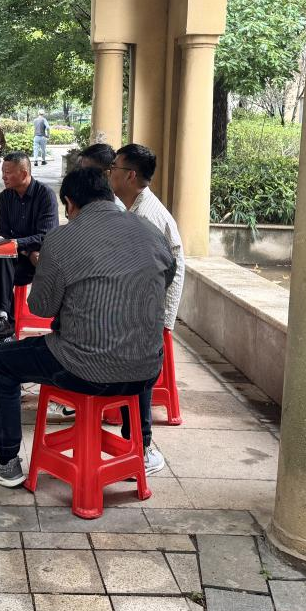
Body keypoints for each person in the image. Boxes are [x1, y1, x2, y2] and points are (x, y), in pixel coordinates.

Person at [0, 167, 175, 487]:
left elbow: (41, 307)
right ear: (109, 195)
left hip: (83, 369)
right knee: (136, 346)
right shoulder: (150, 230)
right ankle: (141, 449)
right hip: (147, 369)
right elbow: (166, 276)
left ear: (69, 203)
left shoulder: (62, 238)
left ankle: (6, 461)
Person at [108, 143, 186, 475]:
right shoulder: (131, 207)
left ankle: (142, 447)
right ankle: (134, 440)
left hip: (149, 309)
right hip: (139, 304)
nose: (110, 173)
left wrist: (156, 318)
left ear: (130, 175)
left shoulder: (147, 217)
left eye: (114, 167)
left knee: (136, 368)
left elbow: (164, 271)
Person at [0, 153, 59, 340]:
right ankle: (3, 318)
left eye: (8, 172)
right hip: (21, 257)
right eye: (3, 171)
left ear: (24, 173)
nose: (3, 176)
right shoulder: (5, 197)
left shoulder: (45, 195)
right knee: (1, 261)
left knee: (3, 269)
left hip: (39, 262)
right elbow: (3, 232)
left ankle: (5, 323)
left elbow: (46, 235)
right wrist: (26, 249)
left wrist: (18, 243)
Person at [78, 143, 126, 211]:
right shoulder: (79, 201)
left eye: (89, 173)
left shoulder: (117, 210)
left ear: (108, 174)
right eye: (81, 171)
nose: (82, 177)